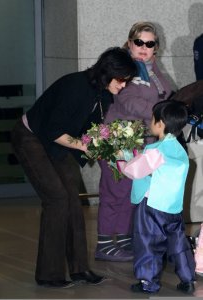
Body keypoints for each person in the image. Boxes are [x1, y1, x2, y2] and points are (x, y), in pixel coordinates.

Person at [11, 47, 137, 288]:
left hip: (59, 142)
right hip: (31, 137)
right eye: (122, 80)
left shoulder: (104, 94)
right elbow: (54, 130)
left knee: (72, 198)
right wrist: (84, 146)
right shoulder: (75, 87)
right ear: (107, 72)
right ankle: (49, 274)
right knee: (57, 198)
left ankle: (80, 269)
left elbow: (90, 129)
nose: (123, 86)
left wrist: (107, 143)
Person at [95, 22, 172, 262]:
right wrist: (161, 112)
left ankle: (126, 239)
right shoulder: (126, 68)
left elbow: (166, 95)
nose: (143, 47)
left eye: (149, 44)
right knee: (114, 191)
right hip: (118, 141)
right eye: (139, 42)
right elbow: (128, 102)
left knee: (132, 192)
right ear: (130, 43)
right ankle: (105, 244)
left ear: (155, 48)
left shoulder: (153, 70)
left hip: (139, 142)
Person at [116, 100, 196, 294]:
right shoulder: (179, 150)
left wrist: (121, 158)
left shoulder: (155, 150)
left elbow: (134, 170)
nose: (150, 122)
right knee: (178, 243)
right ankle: (187, 279)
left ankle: (148, 282)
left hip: (151, 206)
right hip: (173, 207)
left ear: (160, 124)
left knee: (147, 242)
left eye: (152, 119)